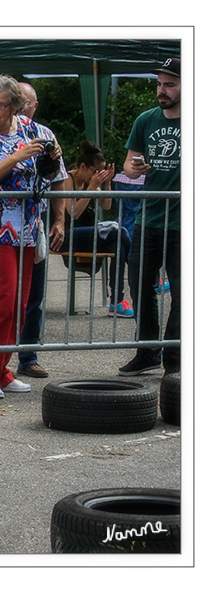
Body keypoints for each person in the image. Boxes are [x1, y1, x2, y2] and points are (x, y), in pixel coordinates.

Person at [0, 75, 63, 399]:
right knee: (0, 297)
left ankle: (2, 369)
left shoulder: (39, 132)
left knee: (19, 302)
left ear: (15, 106)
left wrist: (53, 159)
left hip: (26, 229)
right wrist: (17, 156)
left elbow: (56, 175)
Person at [118, 57, 181, 377]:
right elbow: (129, 163)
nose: (162, 90)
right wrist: (136, 167)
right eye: (159, 83)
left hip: (186, 223)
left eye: (170, 84)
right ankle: (147, 351)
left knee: (184, 292)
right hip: (149, 217)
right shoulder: (146, 119)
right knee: (140, 285)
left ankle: (175, 356)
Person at [15, 81, 67, 380]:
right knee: (3, 295)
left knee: (34, 294)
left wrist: (59, 220)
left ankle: (28, 356)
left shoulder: (46, 135)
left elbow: (59, 179)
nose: (21, 105)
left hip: (34, 223)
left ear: (35, 106)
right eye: (16, 99)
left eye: (26, 101)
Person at [61, 140, 133, 318]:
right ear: (83, 167)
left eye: (101, 173)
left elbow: (106, 205)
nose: (98, 176)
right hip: (66, 235)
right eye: (96, 172)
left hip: (87, 234)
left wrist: (107, 184)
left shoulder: (92, 182)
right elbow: (74, 213)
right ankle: (145, 275)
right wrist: (91, 188)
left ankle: (116, 302)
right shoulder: (67, 180)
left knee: (118, 245)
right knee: (120, 231)